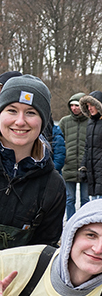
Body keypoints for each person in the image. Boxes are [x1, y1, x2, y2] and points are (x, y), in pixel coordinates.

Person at [0, 76, 65, 249]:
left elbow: (43, 250)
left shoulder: (53, 186)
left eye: (31, 112)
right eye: (12, 110)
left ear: (43, 120)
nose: (20, 121)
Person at [79, 91, 102, 203]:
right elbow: (87, 147)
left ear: (99, 105)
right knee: (94, 202)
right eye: (88, 106)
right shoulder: (90, 123)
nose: (89, 108)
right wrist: (83, 166)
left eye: (92, 105)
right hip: (92, 170)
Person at [59, 93, 88, 217]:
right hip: (68, 165)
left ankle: (84, 220)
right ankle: (71, 221)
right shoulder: (64, 121)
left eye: (76, 105)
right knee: (69, 199)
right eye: (71, 105)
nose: (73, 108)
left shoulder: (91, 121)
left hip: (85, 167)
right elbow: (57, 141)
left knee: (85, 200)